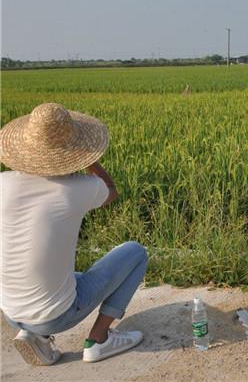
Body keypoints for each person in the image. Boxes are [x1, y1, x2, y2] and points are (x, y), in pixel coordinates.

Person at [1, 103, 148, 365]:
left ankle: (37, 337)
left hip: (10, 310)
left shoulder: (4, 183)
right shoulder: (76, 189)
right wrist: (91, 163)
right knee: (136, 253)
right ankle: (99, 340)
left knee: (57, 273)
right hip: (57, 315)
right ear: (73, 150)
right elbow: (111, 191)